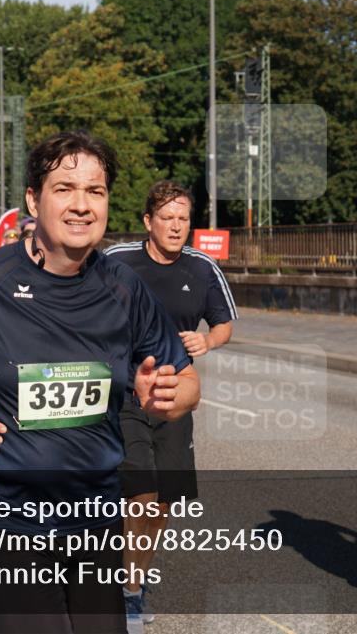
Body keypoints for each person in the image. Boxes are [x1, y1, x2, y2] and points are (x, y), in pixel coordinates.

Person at [0, 130, 200, 634]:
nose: (81, 205)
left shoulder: (125, 287)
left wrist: (167, 396)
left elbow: (187, 382)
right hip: (2, 520)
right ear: (34, 200)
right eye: (64, 188)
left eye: (95, 191)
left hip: (95, 521)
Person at [104, 180, 237, 631]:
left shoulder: (201, 268)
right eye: (167, 218)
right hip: (122, 393)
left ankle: (135, 584)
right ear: (148, 222)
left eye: (183, 218)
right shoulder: (117, 260)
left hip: (175, 398)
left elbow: (224, 324)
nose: (177, 226)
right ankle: (123, 590)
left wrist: (207, 339)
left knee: (161, 504)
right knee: (137, 492)